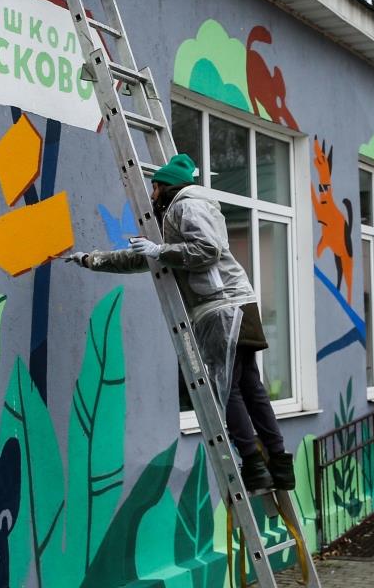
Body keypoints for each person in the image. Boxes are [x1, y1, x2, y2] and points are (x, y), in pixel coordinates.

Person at [67, 153, 294, 492]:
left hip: (221, 307)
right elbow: (139, 259)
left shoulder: (185, 206)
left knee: (226, 389)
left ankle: (254, 465)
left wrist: (161, 251)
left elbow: (207, 250)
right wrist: (91, 259)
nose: (152, 195)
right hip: (235, 304)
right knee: (250, 387)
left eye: (154, 188)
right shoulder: (185, 209)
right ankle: (279, 464)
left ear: (163, 186)